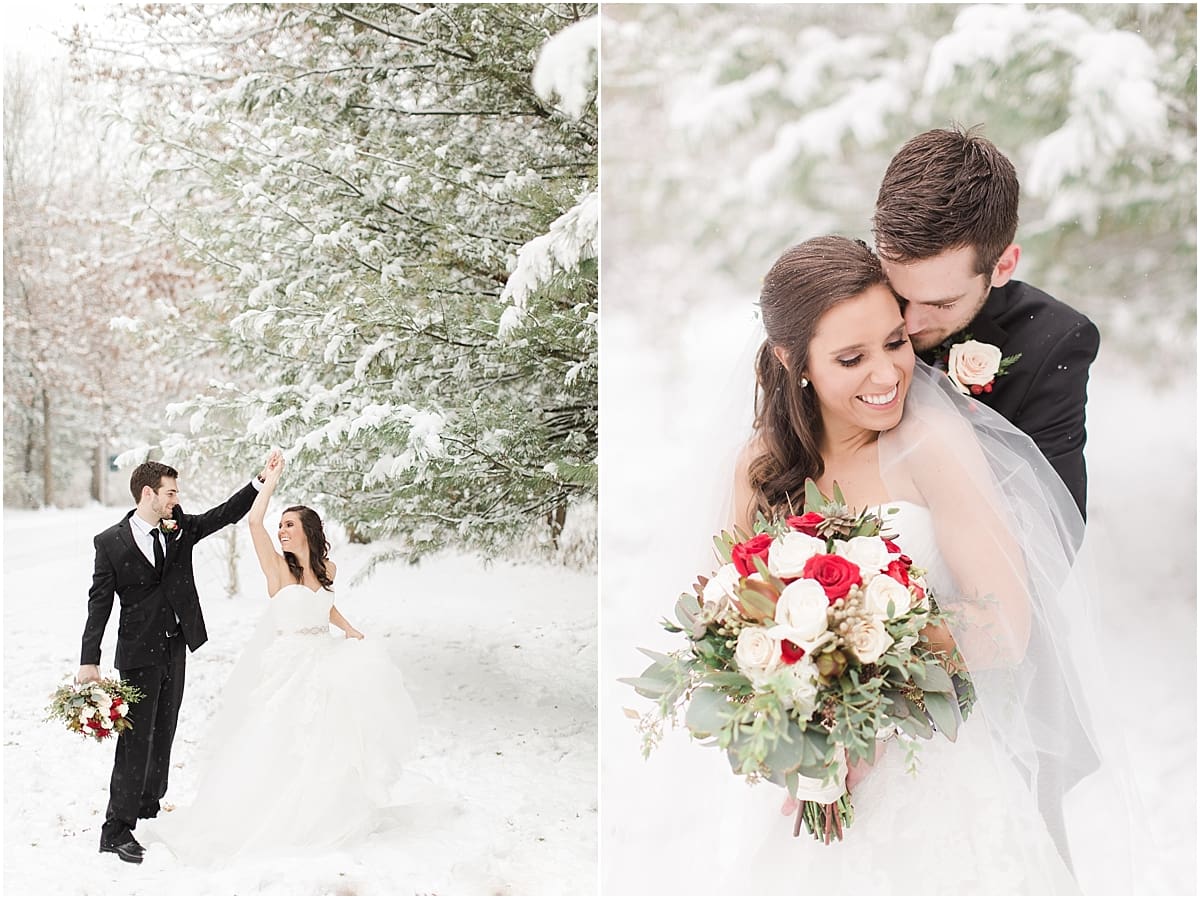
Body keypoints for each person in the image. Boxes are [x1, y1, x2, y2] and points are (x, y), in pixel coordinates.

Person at [705, 236, 1134, 894]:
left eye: (895, 343)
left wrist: (868, 692)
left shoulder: (932, 444)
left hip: (937, 768)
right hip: (816, 786)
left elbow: (1004, 626)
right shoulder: (760, 468)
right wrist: (804, 736)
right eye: (851, 357)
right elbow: (733, 630)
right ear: (797, 362)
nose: (887, 375)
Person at [141, 450, 417, 863]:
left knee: (328, 739)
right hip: (288, 663)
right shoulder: (277, 569)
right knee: (278, 736)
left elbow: (323, 604)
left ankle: (323, 812)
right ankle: (268, 813)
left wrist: (348, 628)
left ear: (307, 530)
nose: (282, 530)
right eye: (281, 524)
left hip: (324, 658)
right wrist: (269, 482)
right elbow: (254, 522)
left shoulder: (328, 568)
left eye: (289, 525)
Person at [873, 125, 1100, 519]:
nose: (907, 324)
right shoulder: (840, 298)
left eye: (941, 304)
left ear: (1003, 266)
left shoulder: (1052, 343)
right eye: (898, 292)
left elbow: (1052, 529)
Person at [78, 457, 271, 864]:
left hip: (174, 647)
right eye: (170, 492)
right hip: (137, 654)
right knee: (136, 740)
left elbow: (224, 515)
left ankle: (148, 807)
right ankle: (115, 830)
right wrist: (88, 660)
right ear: (148, 494)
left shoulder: (180, 527)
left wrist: (259, 481)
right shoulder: (110, 543)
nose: (176, 499)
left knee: (164, 732)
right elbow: (99, 605)